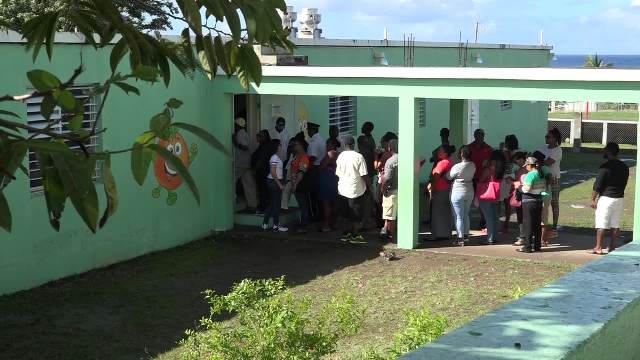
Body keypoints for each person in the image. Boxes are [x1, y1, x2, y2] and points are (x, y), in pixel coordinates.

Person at [588, 142, 629, 255]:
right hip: (619, 198)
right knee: (615, 224)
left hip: (606, 199)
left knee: (601, 224)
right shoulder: (624, 167)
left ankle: (598, 247)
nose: (603, 151)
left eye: (605, 149)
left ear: (609, 151)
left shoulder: (605, 167)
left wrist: (592, 199)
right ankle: (612, 247)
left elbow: (597, 185)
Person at [336, 136, 370, 244]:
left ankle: (346, 234)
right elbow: (364, 174)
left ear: (345, 145)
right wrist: (369, 187)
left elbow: (338, 173)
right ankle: (355, 235)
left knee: (345, 213)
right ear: (353, 144)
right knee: (355, 213)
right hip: (355, 189)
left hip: (342, 189)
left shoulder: (340, 156)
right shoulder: (359, 156)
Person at [447, 145, 476, 246]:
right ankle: (466, 236)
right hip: (469, 191)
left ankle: (460, 239)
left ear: (462, 154)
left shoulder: (457, 166)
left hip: (457, 191)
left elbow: (449, 176)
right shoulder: (473, 165)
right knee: (466, 214)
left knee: (458, 217)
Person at [518, 156, 547, 253]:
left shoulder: (530, 175)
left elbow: (526, 189)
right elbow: (543, 189)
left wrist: (518, 187)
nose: (526, 167)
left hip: (528, 202)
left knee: (528, 224)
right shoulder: (541, 174)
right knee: (537, 224)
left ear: (530, 165)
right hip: (538, 201)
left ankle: (527, 247)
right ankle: (537, 246)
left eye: (527, 165)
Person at [478, 150, 506, 245]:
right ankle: (494, 237)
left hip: (486, 193)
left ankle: (489, 238)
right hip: (495, 194)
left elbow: (481, 179)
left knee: (488, 217)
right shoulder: (501, 169)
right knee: (494, 217)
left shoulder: (488, 169)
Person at [468, 128, 493, 229]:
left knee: (483, 200)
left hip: (484, 178)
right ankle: (468, 221)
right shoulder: (469, 148)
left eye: (481, 136)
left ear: (483, 136)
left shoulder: (488, 148)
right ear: (474, 136)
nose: (478, 138)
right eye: (477, 135)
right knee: (471, 200)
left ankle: (483, 219)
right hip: (471, 177)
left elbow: (492, 162)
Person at [540, 128, 563, 238]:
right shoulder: (544, 148)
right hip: (543, 180)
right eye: (546, 136)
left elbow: (548, 163)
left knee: (554, 203)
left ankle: (554, 228)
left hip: (554, 180)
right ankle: (544, 227)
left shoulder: (557, 150)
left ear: (555, 138)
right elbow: (537, 159)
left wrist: (539, 161)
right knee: (544, 203)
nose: (546, 138)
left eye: (548, 137)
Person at [262, 139, 288, 232]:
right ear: (277, 146)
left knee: (273, 203)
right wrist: (280, 184)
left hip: (274, 181)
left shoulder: (275, 157)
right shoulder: (274, 158)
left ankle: (265, 223)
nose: (281, 146)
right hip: (274, 182)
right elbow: (273, 172)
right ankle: (276, 225)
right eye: (280, 144)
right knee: (276, 205)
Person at [232, 117, 258, 211]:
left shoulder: (239, 133)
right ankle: (253, 204)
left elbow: (245, 147)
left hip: (240, 162)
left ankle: (232, 201)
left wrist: (235, 142)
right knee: (249, 184)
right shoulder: (245, 133)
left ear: (237, 125)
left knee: (231, 182)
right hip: (247, 163)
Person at [430, 145, 454, 240]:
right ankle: (445, 233)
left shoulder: (442, 163)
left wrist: (432, 186)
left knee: (437, 212)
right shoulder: (450, 161)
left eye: (440, 151)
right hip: (447, 189)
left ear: (445, 153)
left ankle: (437, 235)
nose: (438, 152)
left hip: (440, 189)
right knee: (445, 212)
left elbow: (436, 176)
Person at [532, 151, 555, 247]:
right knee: (540, 218)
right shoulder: (538, 168)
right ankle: (540, 239)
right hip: (542, 195)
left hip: (544, 196)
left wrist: (543, 187)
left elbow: (550, 179)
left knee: (543, 219)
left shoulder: (544, 168)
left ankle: (543, 240)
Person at [318, 138, 340, 232]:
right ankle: (333, 223)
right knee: (334, 203)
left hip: (328, 179)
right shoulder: (339, 154)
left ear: (333, 145)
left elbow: (321, 166)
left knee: (326, 203)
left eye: (328, 144)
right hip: (335, 179)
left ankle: (326, 224)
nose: (326, 146)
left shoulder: (330, 154)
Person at [358, 122, 377, 229]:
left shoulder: (366, 139)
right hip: (366, 170)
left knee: (366, 197)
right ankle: (365, 219)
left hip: (367, 171)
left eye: (364, 127)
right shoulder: (368, 139)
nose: (361, 128)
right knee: (366, 196)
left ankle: (365, 221)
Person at [290, 138, 312, 233]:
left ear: (301, 146)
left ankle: (303, 226)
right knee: (301, 205)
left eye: (297, 144)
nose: (295, 146)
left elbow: (301, 172)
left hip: (300, 184)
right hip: (296, 182)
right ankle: (302, 223)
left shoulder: (304, 157)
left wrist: (295, 185)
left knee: (303, 205)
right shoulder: (296, 156)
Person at [501, 135, 520, 233]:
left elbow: (508, 161)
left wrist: (504, 150)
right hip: (514, 176)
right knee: (509, 201)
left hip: (508, 177)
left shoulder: (508, 152)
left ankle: (506, 224)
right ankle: (507, 224)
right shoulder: (517, 152)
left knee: (507, 201)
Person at [306, 122, 325, 221]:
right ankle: (321, 215)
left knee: (312, 194)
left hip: (314, 169)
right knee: (318, 193)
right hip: (320, 169)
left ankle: (313, 216)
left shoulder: (313, 142)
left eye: (308, 130)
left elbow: (312, 157)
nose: (307, 132)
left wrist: (306, 167)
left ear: (312, 130)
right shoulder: (321, 139)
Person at [381, 139, 399, 243]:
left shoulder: (391, 161)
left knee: (390, 215)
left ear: (389, 148)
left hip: (391, 190)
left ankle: (391, 237)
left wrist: (383, 189)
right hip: (403, 189)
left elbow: (386, 178)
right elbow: (421, 160)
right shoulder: (406, 158)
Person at [250, 129, 272, 212]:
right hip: (261, 172)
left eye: (260, 136)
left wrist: (255, 169)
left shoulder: (266, 146)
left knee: (264, 190)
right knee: (261, 189)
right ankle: (263, 205)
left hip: (264, 172)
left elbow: (261, 160)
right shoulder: (261, 146)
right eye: (257, 135)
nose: (258, 137)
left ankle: (265, 207)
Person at [510, 152, 528, 246]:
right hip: (528, 196)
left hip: (522, 195)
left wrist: (511, 181)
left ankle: (522, 237)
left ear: (522, 159)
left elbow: (518, 183)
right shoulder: (530, 168)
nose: (516, 164)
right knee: (525, 217)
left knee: (521, 218)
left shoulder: (523, 169)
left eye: (517, 161)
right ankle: (525, 236)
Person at [281, 138, 297, 212]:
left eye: (292, 146)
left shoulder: (298, 156)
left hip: (293, 178)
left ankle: (284, 207)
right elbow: (287, 168)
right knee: (286, 191)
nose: (290, 148)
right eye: (290, 146)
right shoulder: (291, 155)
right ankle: (284, 207)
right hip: (288, 178)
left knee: (286, 191)